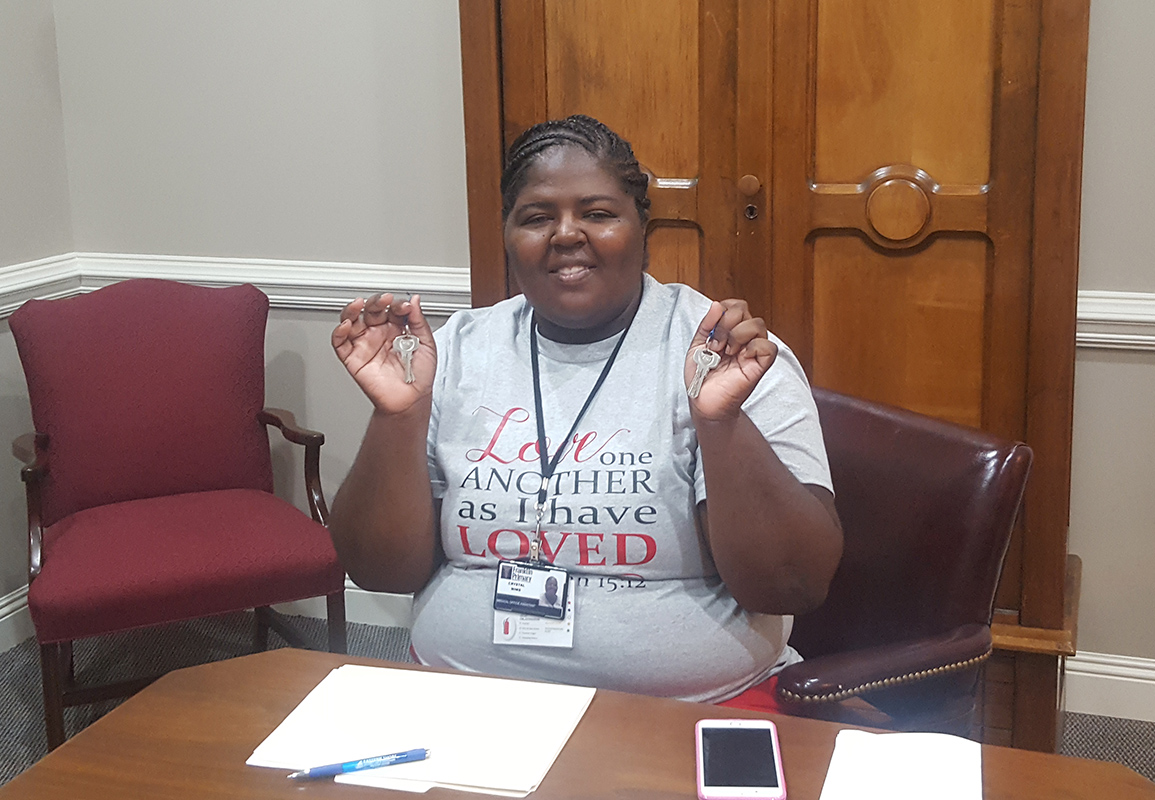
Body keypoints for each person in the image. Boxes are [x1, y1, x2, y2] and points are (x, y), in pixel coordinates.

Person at [329, 114, 843, 704]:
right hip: (463, 703)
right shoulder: (455, 351)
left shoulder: (721, 354)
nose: (567, 234)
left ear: (642, 226)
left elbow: (791, 585)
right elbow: (379, 572)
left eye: (598, 213)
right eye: (537, 217)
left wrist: (721, 425)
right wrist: (397, 420)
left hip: (681, 713)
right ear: (507, 234)